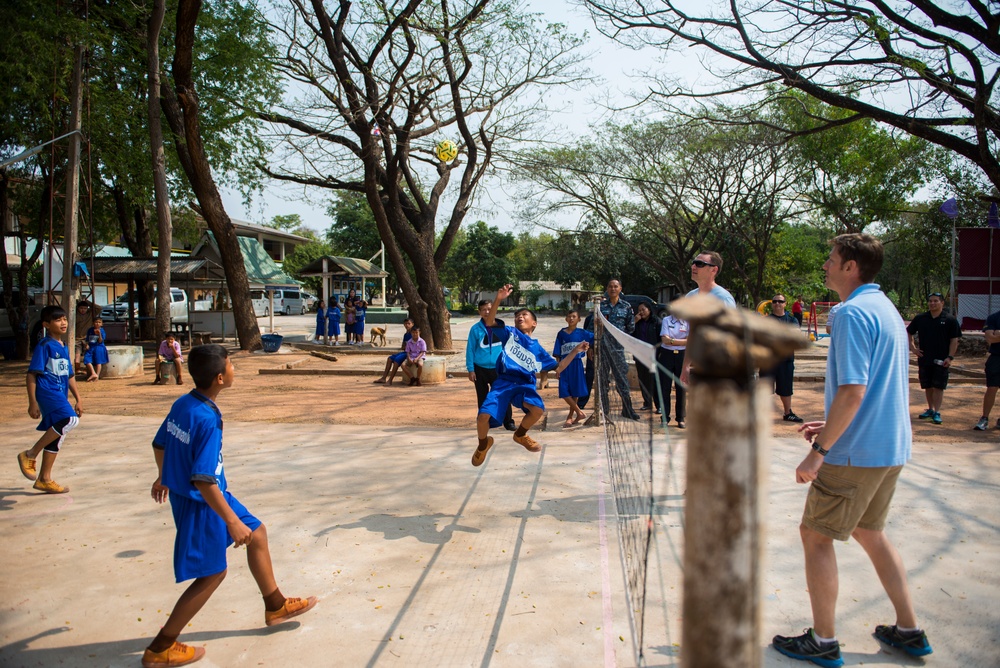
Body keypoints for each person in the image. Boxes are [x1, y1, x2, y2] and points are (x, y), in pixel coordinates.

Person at [772, 233, 932, 666]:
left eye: (831, 259)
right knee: (870, 532)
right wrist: (834, 426)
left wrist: (820, 450)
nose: (825, 264)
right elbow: (874, 390)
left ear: (850, 267)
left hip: (855, 455)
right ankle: (909, 631)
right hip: (890, 446)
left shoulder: (850, 314)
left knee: (815, 535)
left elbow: (854, 392)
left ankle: (823, 642)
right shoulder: (886, 309)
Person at [143, 344, 317, 667]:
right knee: (212, 574)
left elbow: (159, 443)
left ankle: (275, 604)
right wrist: (231, 522)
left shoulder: (183, 404)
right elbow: (203, 480)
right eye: (232, 364)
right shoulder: (208, 420)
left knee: (258, 532)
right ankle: (160, 646)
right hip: (203, 503)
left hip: (214, 495)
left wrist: (163, 475)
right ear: (220, 378)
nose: (235, 368)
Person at [472, 284, 588, 467]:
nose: (520, 316)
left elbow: (560, 367)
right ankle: (483, 444)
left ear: (534, 323)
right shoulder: (509, 334)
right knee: (482, 417)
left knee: (537, 410)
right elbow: (489, 322)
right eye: (517, 315)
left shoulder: (538, 350)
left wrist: (575, 350)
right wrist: (498, 299)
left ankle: (520, 434)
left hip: (525, 384)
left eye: (525, 314)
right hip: (503, 382)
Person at [17, 305, 83, 494]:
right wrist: (33, 402)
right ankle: (30, 454)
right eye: (57, 320)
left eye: (64, 319)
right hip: (47, 392)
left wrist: (78, 398)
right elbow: (31, 375)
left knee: (59, 434)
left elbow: (69, 375)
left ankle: (44, 479)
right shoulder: (44, 345)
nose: (63, 322)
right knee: (70, 420)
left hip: (60, 394)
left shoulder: (64, 347)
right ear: (46, 324)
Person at [681, 251, 736, 384]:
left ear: (714, 269)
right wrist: (685, 366)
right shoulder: (690, 297)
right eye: (693, 263)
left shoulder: (723, 298)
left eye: (700, 264)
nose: (693, 267)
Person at [906, 292, 961, 425]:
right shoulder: (921, 318)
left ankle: (937, 412)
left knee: (938, 386)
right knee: (928, 385)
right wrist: (913, 349)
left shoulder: (950, 320)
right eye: (930, 301)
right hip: (925, 358)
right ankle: (930, 409)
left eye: (936, 301)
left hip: (942, 360)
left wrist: (950, 357)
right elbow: (908, 332)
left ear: (942, 303)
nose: (932, 303)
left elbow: (954, 340)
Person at [467, 300, 516, 430]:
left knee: (503, 394)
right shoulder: (475, 329)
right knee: (482, 397)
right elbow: (470, 349)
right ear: (479, 312)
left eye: (489, 309)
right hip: (480, 368)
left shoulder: (500, 327)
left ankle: (508, 421)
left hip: (498, 368)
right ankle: (484, 422)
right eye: (483, 309)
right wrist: (471, 369)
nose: (487, 312)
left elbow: (509, 347)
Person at [598, 278, 640, 421]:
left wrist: (622, 339)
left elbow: (631, 327)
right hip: (602, 349)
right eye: (610, 286)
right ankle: (605, 410)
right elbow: (593, 328)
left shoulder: (626, 307)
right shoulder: (600, 306)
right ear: (607, 289)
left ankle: (627, 410)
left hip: (618, 350)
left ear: (620, 289)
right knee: (603, 381)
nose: (613, 289)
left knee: (622, 380)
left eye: (616, 286)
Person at [762, 294, 804, 423]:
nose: (777, 304)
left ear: (785, 303)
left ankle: (787, 413)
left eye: (780, 301)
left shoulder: (792, 320)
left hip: (785, 360)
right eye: (774, 301)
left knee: (786, 389)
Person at [553, 309, 594, 427]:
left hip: (577, 364)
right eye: (569, 316)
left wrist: (590, 348)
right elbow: (558, 351)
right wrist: (558, 368)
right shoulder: (561, 333)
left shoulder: (582, 333)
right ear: (566, 319)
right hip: (565, 365)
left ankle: (570, 416)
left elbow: (595, 338)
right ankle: (579, 412)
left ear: (579, 319)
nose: (571, 318)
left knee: (575, 391)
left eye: (574, 316)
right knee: (564, 391)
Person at [658, 306, 688, 428]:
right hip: (667, 355)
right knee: (665, 387)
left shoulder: (688, 322)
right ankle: (665, 418)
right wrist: (682, 341)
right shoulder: (666, 320)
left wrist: (672, 341)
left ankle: (680, 418)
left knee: (681, 387)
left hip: (682, 356)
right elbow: (664, 340)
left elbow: (691, 340)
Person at [631, 303, 662, 414]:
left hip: (652, 356)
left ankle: (659, 405)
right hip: (639, 355)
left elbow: (661, 339)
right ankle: (647, 403)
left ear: (649, 310)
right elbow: (629, 334)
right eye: (639, 310)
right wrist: (634, 322)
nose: (641, 312)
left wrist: (659, 353)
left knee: (654, 380)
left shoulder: (656, 322)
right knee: (643, 379)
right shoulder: (637, 323)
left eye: (643, 310)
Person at [975, 308, 1000, 431]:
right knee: (992, 388)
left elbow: (995, 336)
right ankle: (984, 418)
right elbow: (990, 338)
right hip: (996, 358)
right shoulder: (994, 317)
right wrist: (994, 335)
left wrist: (998, 334)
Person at [374, 317, 414, 385]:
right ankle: (384, 378)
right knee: (390, 358)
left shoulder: (414, 334)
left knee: (396, 360)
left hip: (410, 353)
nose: (407, 325)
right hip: (405, 352)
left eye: (409, 323)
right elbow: (403, 346)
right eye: (405, 324)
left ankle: (390, 380)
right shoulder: (406, 334)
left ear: (412, 324)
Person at [83, 317, 109, 382]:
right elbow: (87, 339)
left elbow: (100, 341)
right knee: (86, 359)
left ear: (101, 324)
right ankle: (93, 373)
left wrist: (99, 333)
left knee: (98, 361)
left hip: (99, 347)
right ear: (93, 323)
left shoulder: (102, 331)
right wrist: (87, 344)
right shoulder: (90, 330)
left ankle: (97, 376)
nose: (97, 324)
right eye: (96, 322)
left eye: (99, 322)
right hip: (91, 347)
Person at [73, 300, 95, 372]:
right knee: (77, 353)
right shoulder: (74, 315)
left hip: (87, 338)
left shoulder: (90, 314)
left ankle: (87, 368)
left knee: (88, 353)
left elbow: (99, 308)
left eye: (85, 308)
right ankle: (77, 368)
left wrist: (87, 302)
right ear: (78, 308)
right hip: (77, 338)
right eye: (81, 308)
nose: (83, 310)